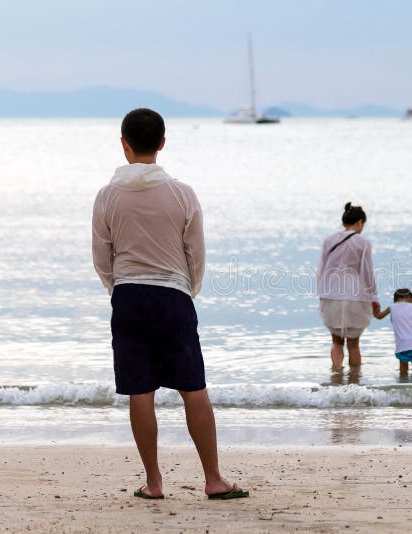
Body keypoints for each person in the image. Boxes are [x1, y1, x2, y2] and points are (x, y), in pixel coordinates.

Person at [91, 108, 248, 501]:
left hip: (128, 296)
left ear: (124, 144)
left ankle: (154, 482)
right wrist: (186, 290)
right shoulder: (182, 193)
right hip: (173, 296)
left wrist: (119, 290)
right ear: (162, 144)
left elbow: (101, 257)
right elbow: (196, 253)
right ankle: (213, 479)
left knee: (140, 392)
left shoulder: (108, 196)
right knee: (193, 388)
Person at [317, 202, 381, 370]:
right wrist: (374, 298)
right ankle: (354, 385)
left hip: (331, 296)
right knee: (354, 345)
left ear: (344, 222)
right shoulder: (363, 243)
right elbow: (367, 272)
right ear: (360, 222)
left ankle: (336, 377)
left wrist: (322, 294)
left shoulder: (328, 241)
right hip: (356, 298)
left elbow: (321, 269)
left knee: (336, 342)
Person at [374, 288, 412, 375]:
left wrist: (374, 308)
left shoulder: (391, 308)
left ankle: (403, 386)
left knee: (403, 369)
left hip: (402, 344)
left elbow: (379, 316)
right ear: (407, 297)